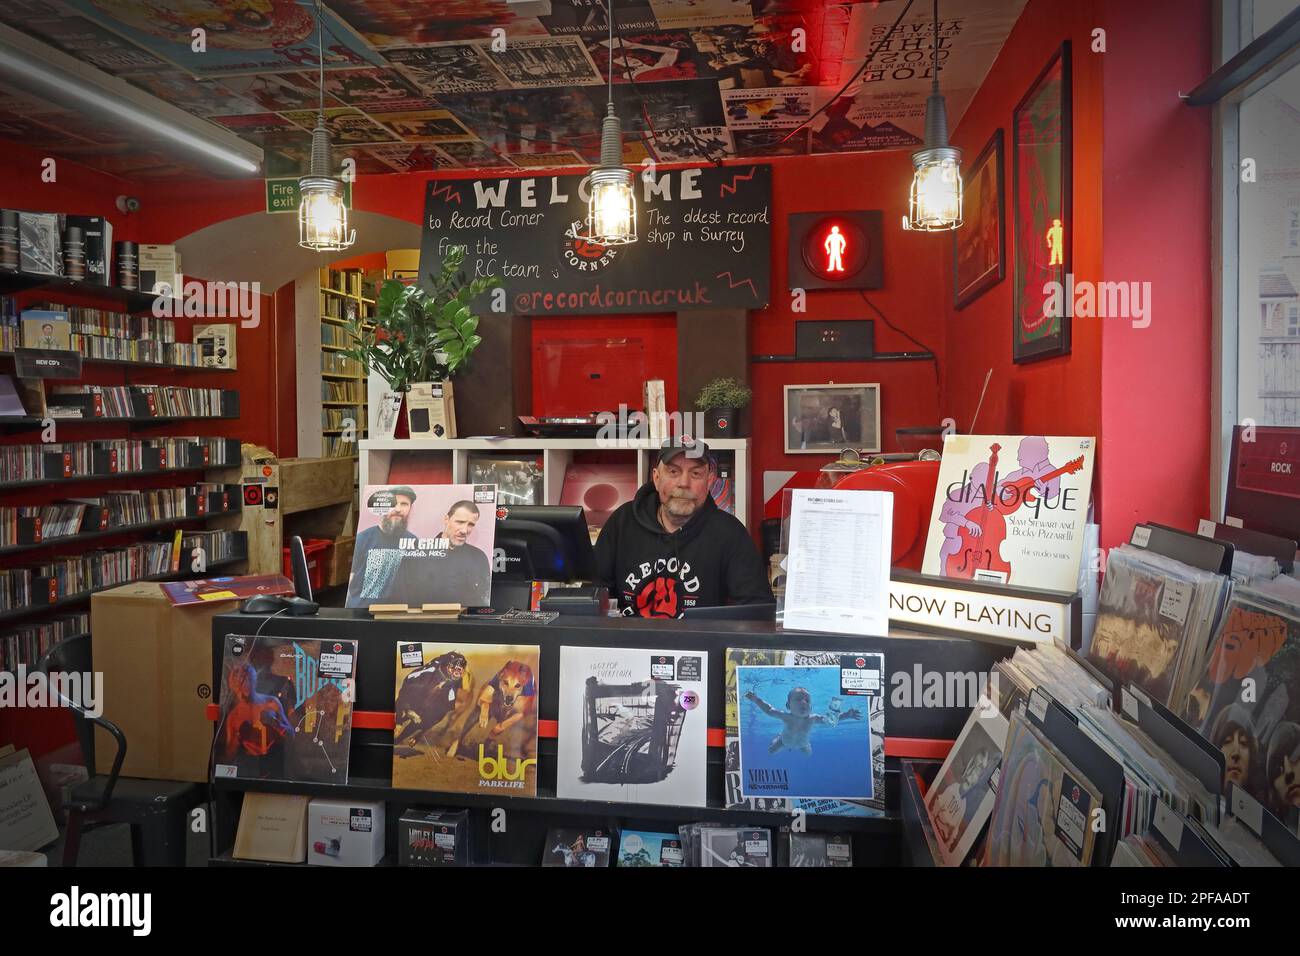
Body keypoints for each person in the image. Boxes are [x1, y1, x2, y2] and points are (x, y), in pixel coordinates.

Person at [593, 437, 772, 618]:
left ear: (710, 480)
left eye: (695, 474)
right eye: (673, 472)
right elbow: (591, 597)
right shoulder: (622, 522)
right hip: (625, 643)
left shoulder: (730, 534)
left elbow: (758, 611)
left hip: (701, 644)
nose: (684, 483)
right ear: (656, 478)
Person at [346, 486, 418, 606]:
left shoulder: (413, 541)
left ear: (410, 508)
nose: (398, 509)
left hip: (400, 614)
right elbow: (350, 581)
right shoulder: (362, 539)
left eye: (404, 504)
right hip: (365, 613)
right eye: (393, 503)